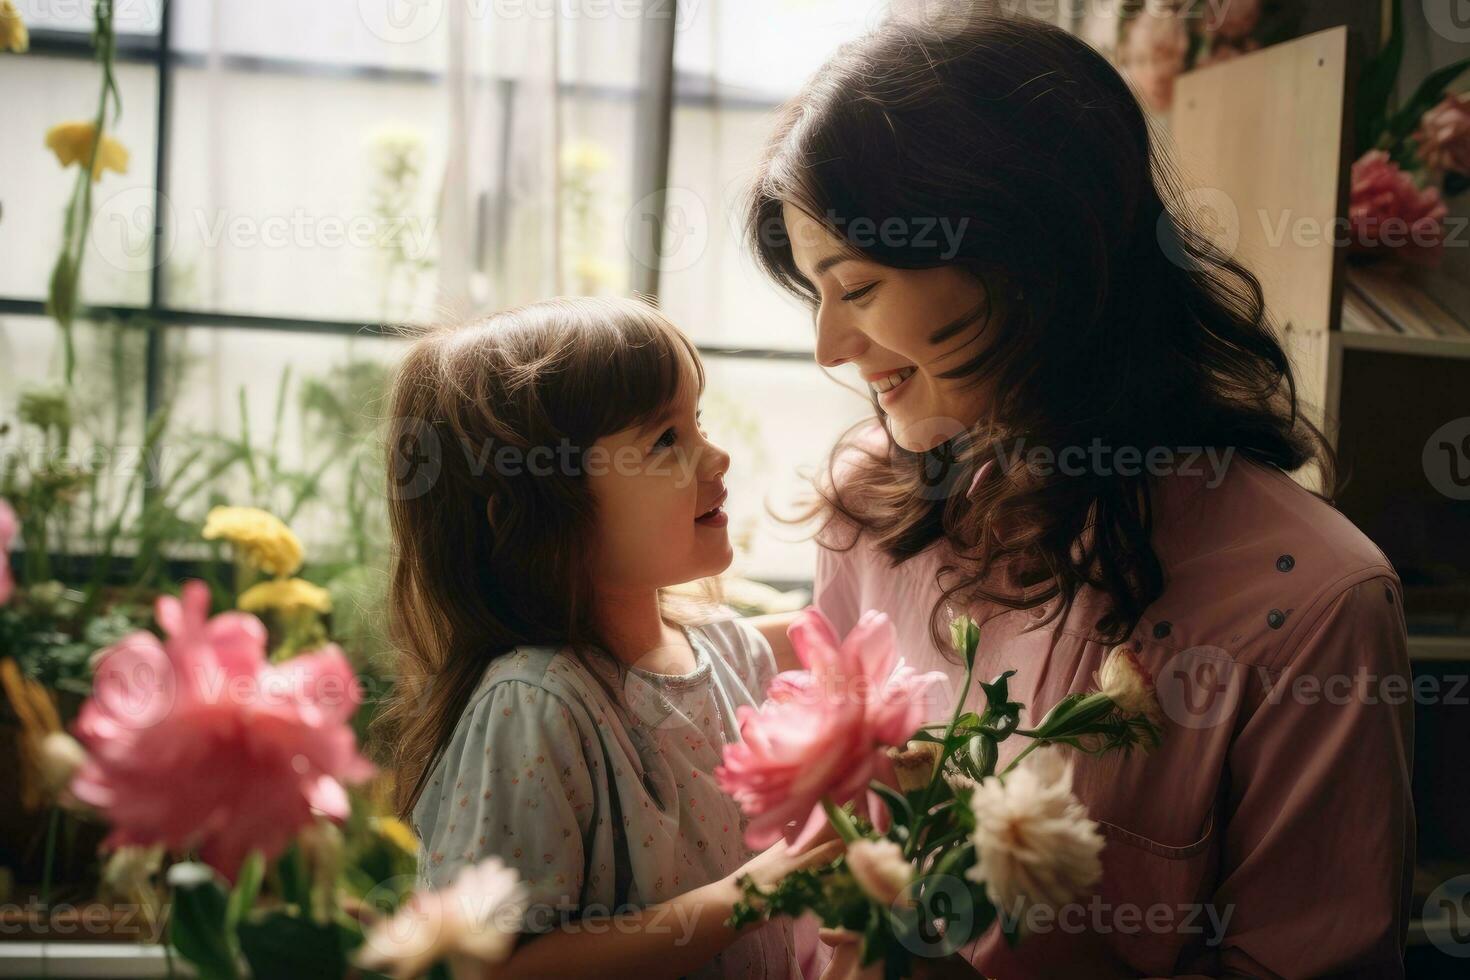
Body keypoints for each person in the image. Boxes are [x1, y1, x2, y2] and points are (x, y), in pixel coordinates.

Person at [745, 11, 1414, 978]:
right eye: (815, 293)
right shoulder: (872, 503)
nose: (828, 348)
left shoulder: (1312, 607)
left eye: (856, 286)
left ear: (1027, 260)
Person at [376, 296, 841, 978]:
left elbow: (841, 638)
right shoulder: (536, 703)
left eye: (697, 421)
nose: (717, 455)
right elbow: (498, 968)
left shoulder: (717, 649)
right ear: (541, 520)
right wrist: (759, 889)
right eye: (665, 440)